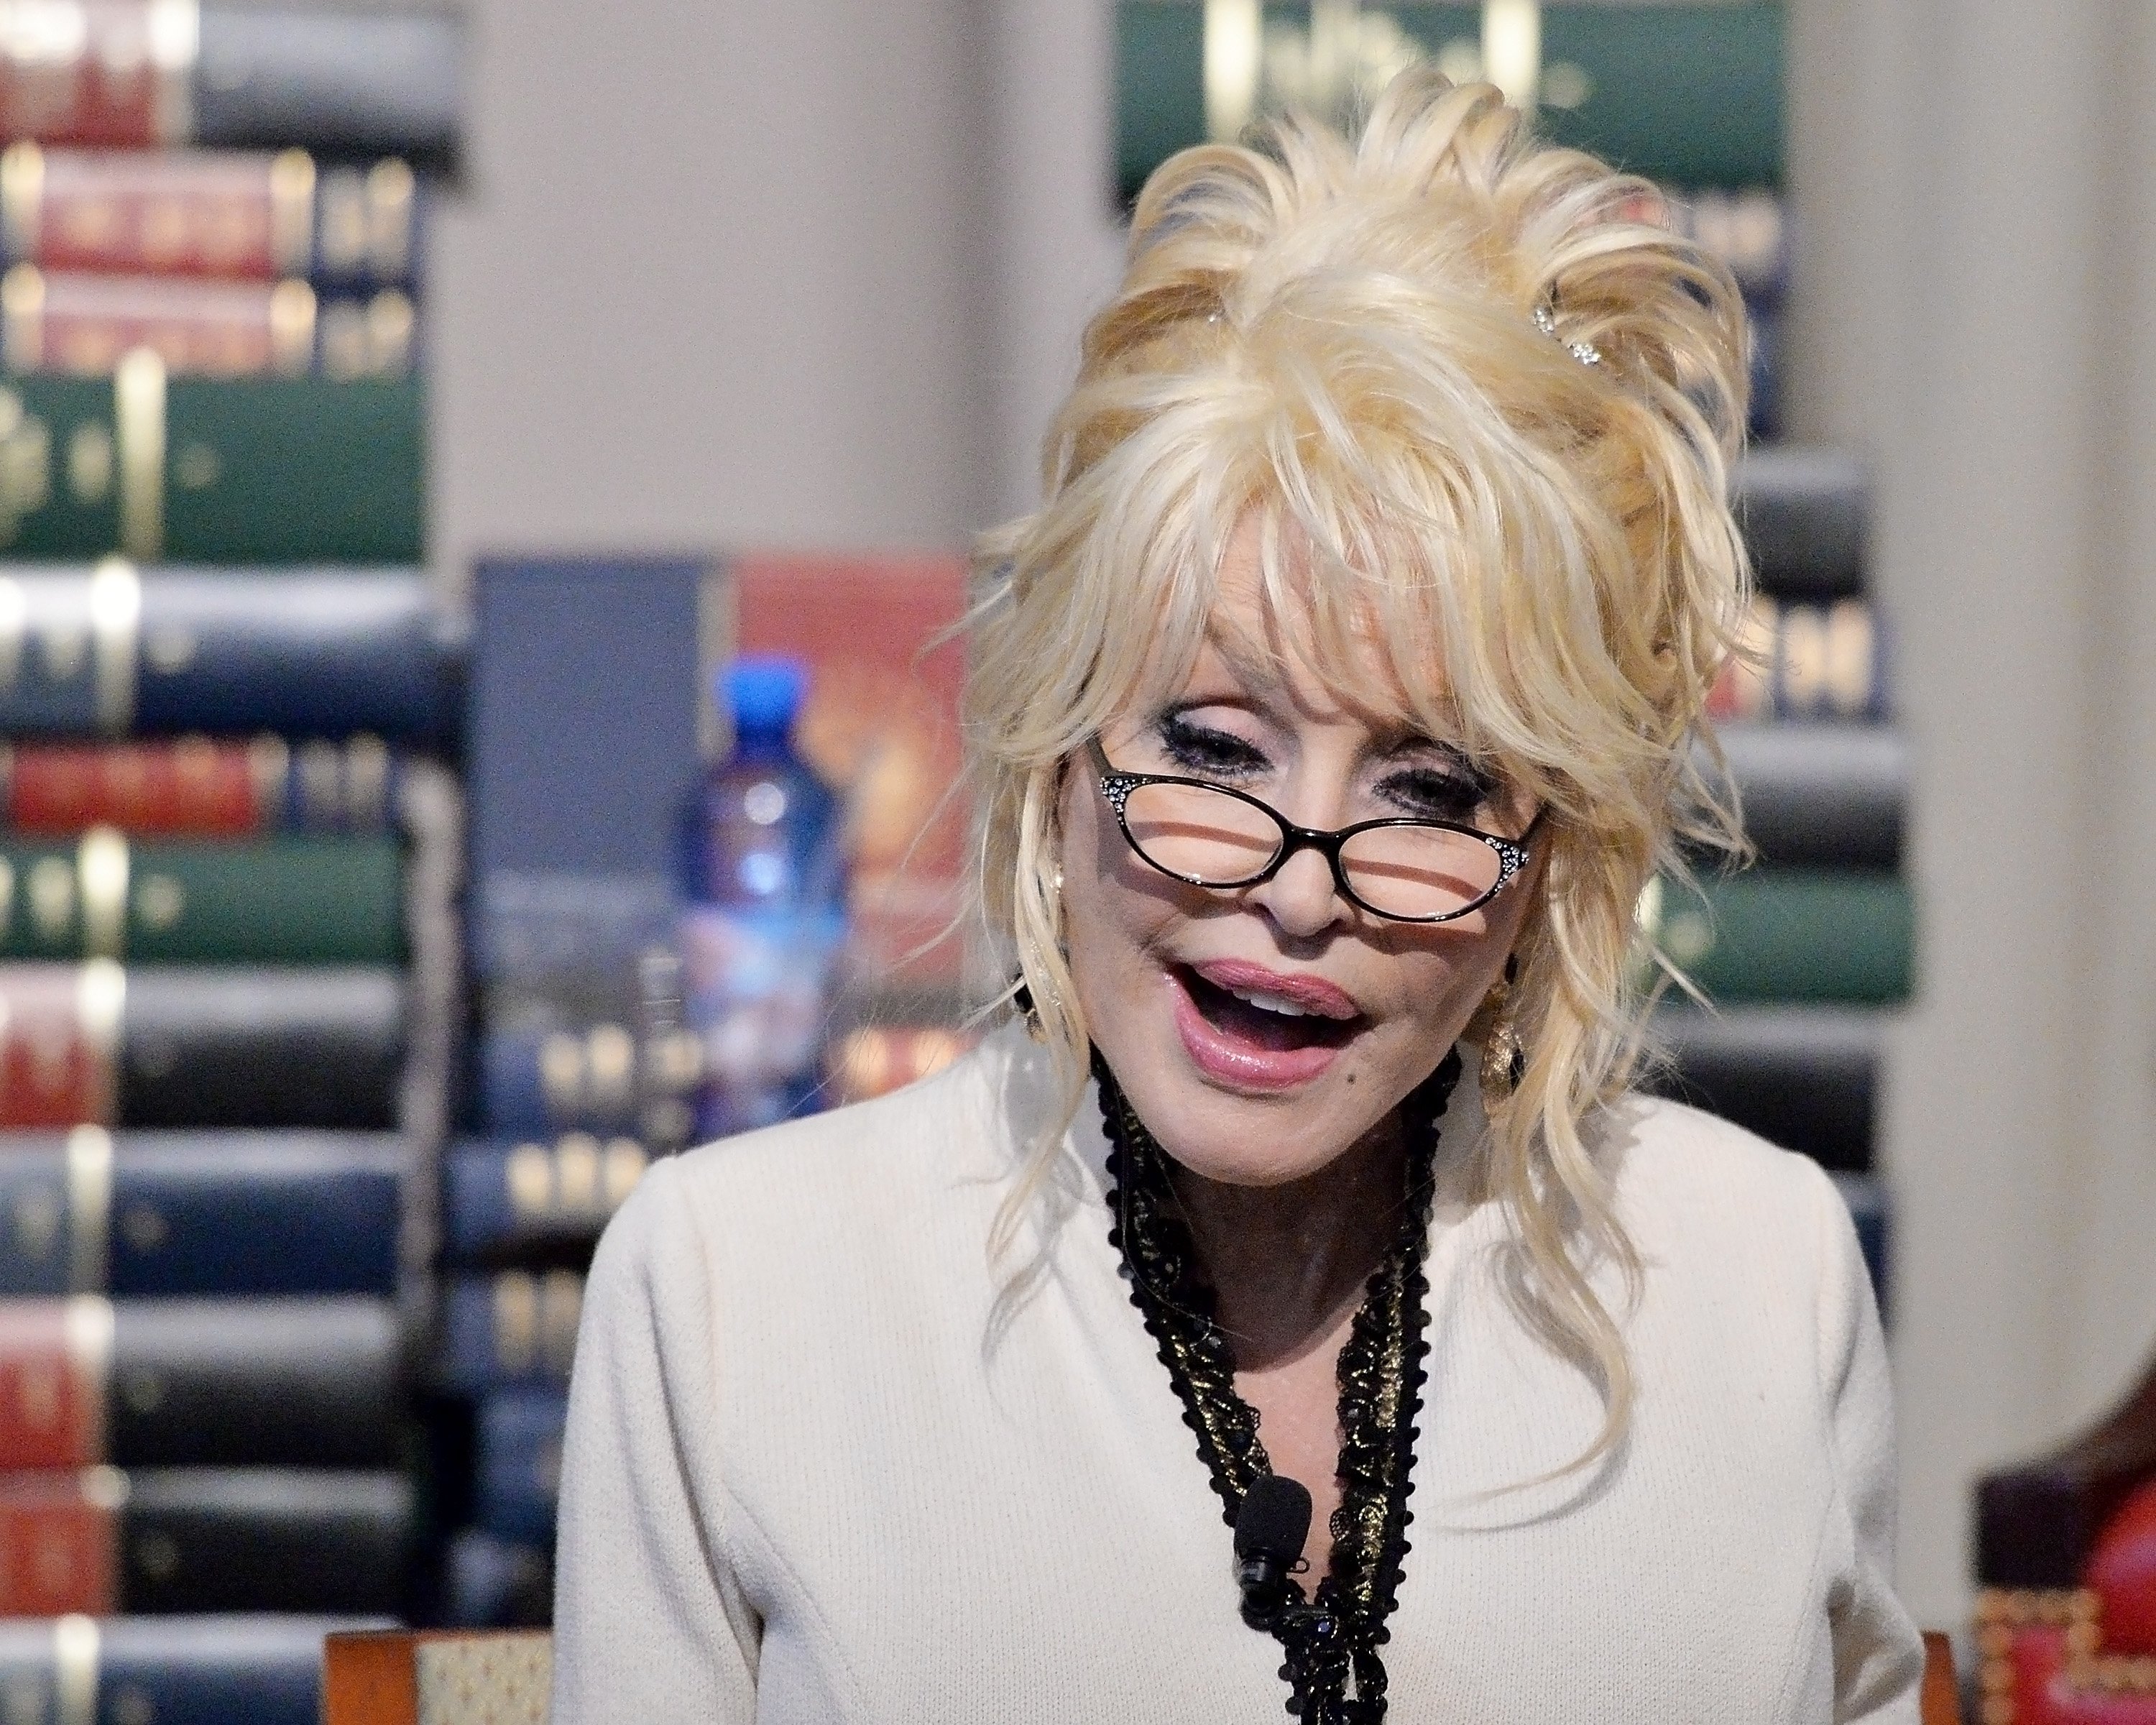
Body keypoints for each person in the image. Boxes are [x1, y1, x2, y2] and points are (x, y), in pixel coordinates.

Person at [550, 68, 1922, 1724]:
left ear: (1547, 858)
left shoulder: (1766, 1278)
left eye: (1431, 791)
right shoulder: (724, 1295)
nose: (1297, 887)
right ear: (1059, 751)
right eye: (1213, 749)